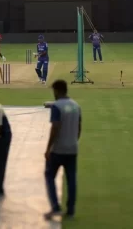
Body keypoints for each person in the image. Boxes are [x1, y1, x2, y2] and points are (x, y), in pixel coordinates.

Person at [43, 80, 81, 220]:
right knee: (71, 179)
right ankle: (70, 210)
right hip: (72, 148)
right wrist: (74, 141)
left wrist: (48, 148)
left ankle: (55, 207)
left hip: (58, 150)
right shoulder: (76, 106)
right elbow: (79, 127)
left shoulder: (57, 106)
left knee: (49, 176)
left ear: (58, 91)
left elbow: (55, 128)